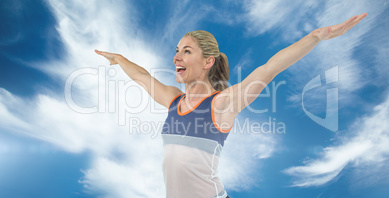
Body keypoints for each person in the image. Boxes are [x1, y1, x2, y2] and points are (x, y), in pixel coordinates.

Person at [95, 13, 367, 198]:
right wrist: (119, 59)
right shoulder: (173, 101)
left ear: (208, 61)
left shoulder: (223, 103)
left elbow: (269, 68)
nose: (177, 56)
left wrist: (316, 37)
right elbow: (142, 77)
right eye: (176, 50)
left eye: (186, 51)